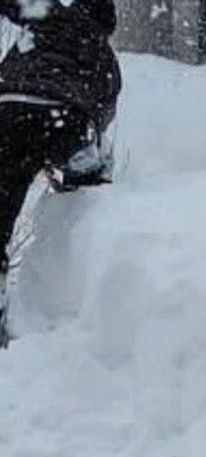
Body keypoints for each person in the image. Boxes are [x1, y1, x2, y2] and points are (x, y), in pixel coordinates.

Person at [0, 0, 120, 340]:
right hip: (63, 120)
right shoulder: (101, 51)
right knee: (91, 170)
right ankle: (79, 225)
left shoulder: (41, 22)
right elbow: (101, 115)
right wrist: (64, 167)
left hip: (7, 115)